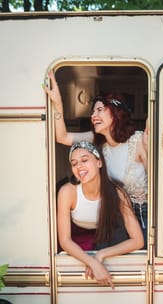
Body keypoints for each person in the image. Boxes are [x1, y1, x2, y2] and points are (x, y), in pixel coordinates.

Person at [44, 70, 148, 249]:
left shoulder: (139, 141)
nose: (93, 116)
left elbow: (159, 188)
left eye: (99, 110)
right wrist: (58, 104)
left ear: (116, 112)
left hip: (144, 216)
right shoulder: (99, 143)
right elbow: (61, 137)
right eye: (92, 112)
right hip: (115, 218)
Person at [57, 140, 144, 288]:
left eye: (84, 160)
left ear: (99, 163)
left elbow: (138, 240)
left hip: (107, 242)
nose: (79, 166)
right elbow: (65, 240)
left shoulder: (117, 193)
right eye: (74, 163)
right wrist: (92, 262)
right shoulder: (67, 192)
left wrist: (101, 255)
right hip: (77, 246)